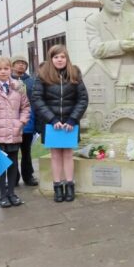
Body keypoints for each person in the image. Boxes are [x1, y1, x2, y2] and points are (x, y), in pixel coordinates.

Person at [32, 45, 89, 203]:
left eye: (62, 57)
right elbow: (37, 99)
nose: (59, 60)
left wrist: (72, 119)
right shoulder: (43, 75)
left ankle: (69, 184)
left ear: (67, 58)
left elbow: (82, 99)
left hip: (70, 123)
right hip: (52, 124)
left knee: (68, 154)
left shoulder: (74, 73)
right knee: (56, 155)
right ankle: (57, 185)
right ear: (51, 59)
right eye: (56, 57)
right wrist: (52, 119)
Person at [0, 56, 31, 208]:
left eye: (6, 68)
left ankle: (11, 192)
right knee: (1, 166)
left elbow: (25, 107)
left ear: (10, 69)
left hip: (14, 131)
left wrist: (21, 121)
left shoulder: (18, 87)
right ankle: (3, 194)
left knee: (12, 164)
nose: (3, 71)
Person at [85, 0, 134, 82]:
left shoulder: (133, 18)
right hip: (109, 76)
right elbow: (96, 50)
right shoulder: (93, 20)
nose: (118, 1)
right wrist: (121, 45)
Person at [11, 55, 39, 186]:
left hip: (28, 122)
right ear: (12, 65)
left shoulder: (32, 81)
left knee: (26, 151)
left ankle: (28, 176)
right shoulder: (7, 80)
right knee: (12, 152)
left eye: (23, 63)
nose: (21, 65)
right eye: (18, 63)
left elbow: (35, 102)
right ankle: (13, 177)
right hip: (11, 122)